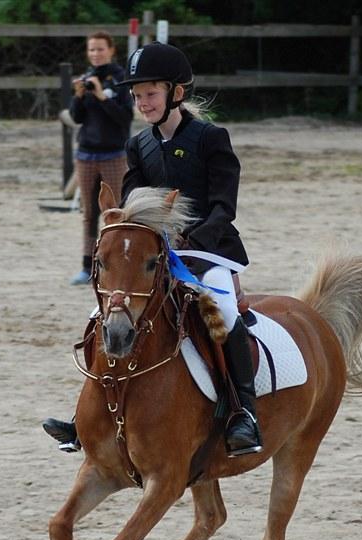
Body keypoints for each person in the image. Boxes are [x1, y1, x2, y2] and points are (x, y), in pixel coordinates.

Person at [44, 42, 262, 456]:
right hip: (154, 257)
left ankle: (244, 413)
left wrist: (194, 239)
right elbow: (131, 206)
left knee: (225, 313)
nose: (143, 103)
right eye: (137, 95)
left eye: (151, 94)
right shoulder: (138, 146)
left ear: (175, 93)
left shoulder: (210, 138)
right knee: (103, 316)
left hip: (209, 252)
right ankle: (84, 419)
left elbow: (224, 207)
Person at [68, 31, 132, 285]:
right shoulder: (87, 78)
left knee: (115, 211)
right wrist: (78, 96)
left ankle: (117, 265)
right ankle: (88, 265)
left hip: (113, 154)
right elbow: (76, 117)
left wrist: (103, 96)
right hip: (86, 154)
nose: (95, 54)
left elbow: (125, 117)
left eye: (100, 49)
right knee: (89, 212)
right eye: (91, 49)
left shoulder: (120, 78)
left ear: (111, 50)